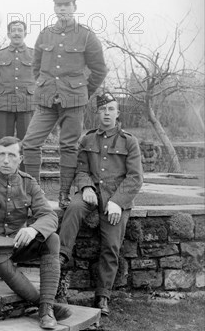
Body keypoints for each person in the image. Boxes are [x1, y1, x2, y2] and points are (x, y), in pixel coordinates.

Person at [0, 136, 71, 329]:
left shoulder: (28, 183)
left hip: (15, 244)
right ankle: (45, 308)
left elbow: (49, 217)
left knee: (52, 239)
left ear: (20, 159)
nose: (5, 160)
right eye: (1, 154)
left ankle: (45, 306)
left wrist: (33, 228)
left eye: (12, 155)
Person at [22, 0, 108, 208]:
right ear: (54, 8)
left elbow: (99, 69)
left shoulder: (86, 35)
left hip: (74, 101)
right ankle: (34, 193)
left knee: (68, 147)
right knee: (30, 143)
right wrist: (43, 85)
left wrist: (83, 92)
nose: (62, 9)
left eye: (67, 5)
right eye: (59, 5)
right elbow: (36, 66)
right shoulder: (45, 34)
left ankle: (63, 195)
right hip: (46, 100)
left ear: (74, 7)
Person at [58, 93, 143, 316]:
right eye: (103, 109)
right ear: (98, 112)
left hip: (116, 198)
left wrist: (117, 202)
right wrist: (85, 187)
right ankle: (61, 256)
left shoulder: (129, 141)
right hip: (91, 193)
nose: (107, 113)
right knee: (74, 208)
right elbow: (82, 168)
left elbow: (135, 178)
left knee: (111, 245)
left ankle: (102, 296)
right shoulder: (88, 140)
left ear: (118, 113)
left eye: (111, 109)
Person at [0, 20, 36, 143]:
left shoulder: (34, 54)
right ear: (8, 34)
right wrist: (3, 94)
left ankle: (25, 163)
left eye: (20, 30)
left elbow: (41, 78)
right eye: (13, 30)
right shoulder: (1, 54)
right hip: (4, 104)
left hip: (27, 104)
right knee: (3, 142)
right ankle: (1, 163)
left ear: (25, 33)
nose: (17, 33)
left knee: (27, 142)